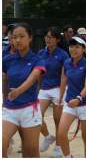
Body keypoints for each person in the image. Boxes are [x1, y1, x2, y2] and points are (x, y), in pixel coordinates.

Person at [2, 23, 46, 158]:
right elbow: (4, 80)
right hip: (10, 110)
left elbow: (33, 78)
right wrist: (5, 99)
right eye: (14, 37)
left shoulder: (37, 59)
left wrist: (18, 91)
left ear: (30, 37)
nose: (17, 40)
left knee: (30, 152)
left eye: (21, 36)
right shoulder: (7, 60)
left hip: (29, 110)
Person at [57, 36, 86, 158]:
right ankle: (68, 157)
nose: (73, 49)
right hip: (70, 103)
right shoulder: (66, 63)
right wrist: (60, 97)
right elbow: (63, 80)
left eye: (77, 47)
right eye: (71, 46)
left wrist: (79, 98)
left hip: (85, 104)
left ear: (83, 49)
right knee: (61, 133)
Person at [38, 27, 69, 157]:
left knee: (58, 120)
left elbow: (63, 76)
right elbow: (38, 73)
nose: (48, 39)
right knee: (35, 116)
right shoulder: (40, 53)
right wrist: (38, 89)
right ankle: (48, 136)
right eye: (46, 36)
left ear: (57, 40)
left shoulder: (63, 54)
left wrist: (61, 94)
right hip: (44, 88)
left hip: (58, 88)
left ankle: (58, 147)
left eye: (51, 37)